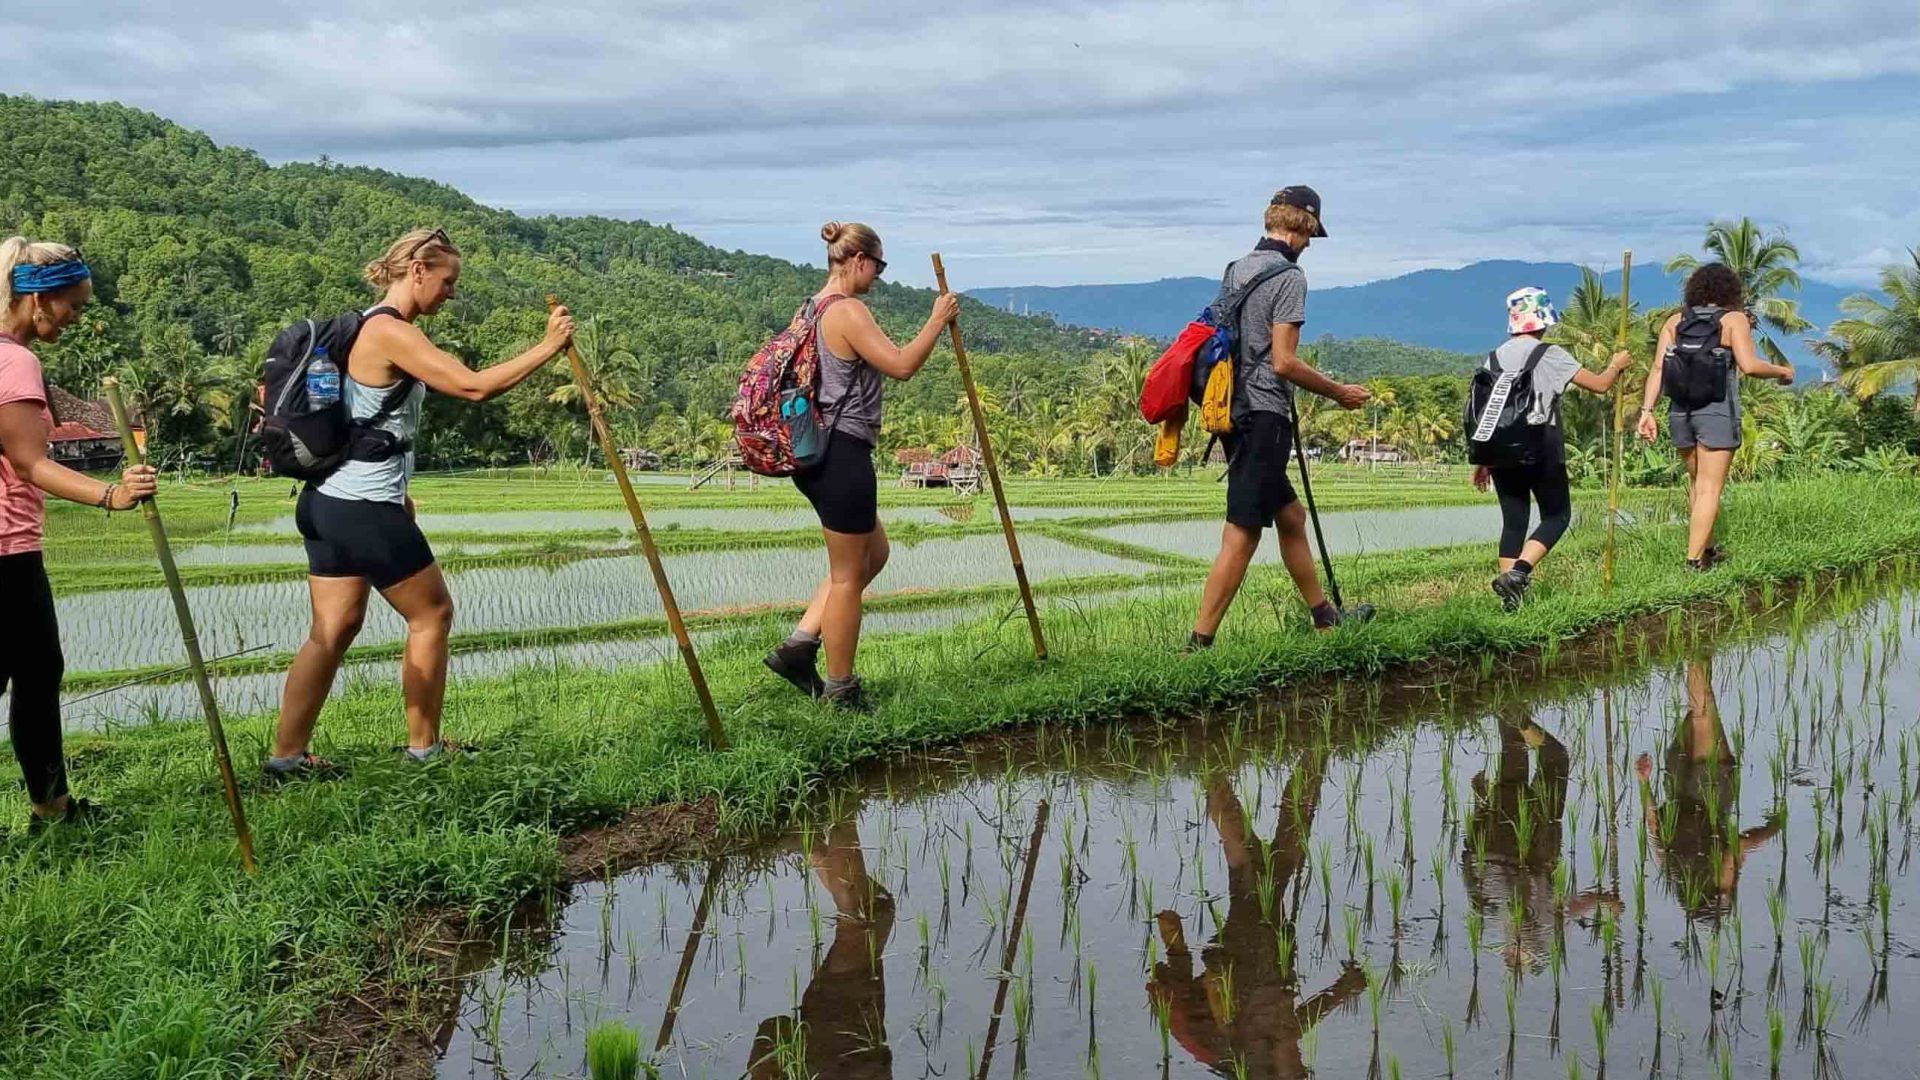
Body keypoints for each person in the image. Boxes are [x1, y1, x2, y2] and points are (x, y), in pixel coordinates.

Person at [266, 228, 574, 779]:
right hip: (362, 507)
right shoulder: (391, 332)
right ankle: (424, 751)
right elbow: (475, 387)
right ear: (417, 271)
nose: (451, 293)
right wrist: (548, 346)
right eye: (447, 280)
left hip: (328, 503)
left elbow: (372, 423)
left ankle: (286, 759)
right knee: (432, 614)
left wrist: (399, 493)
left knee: (331, 632)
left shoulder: (362, 327)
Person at [762, 222, 958, 711]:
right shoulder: (848, 311)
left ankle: (800, 644)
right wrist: (937, 318)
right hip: (843, 453)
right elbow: (901, 364)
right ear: (858, 260)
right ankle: (841, 690)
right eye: (879, 265)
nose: (879, 275)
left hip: (816, 452)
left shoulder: (810, 307)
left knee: (875, 552)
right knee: (848, 577)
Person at [0, 237, 158, 830]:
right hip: (7, 550)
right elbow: (29, 462)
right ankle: (52, 807)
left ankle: (53, 806)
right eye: (74, 305)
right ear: (38, 299)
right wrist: (113, 495)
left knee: (37, 675)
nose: (76, 318)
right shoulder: (15, 362)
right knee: (35, 676)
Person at [1187, 187, 1371, 651]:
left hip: (1231, 409)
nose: (1310, 245)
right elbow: (1284, 363)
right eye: (1312, 235)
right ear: (1302, 226)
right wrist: (1339, 393)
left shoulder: (1237, 269)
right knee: (1243, 531)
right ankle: (1198, 644)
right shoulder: (1290, 276)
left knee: (1290, 515)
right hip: (1263, 414)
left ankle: (1325, 617)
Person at [1149, 749, 1365, 1078]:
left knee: (1250, 862)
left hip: (1244, 954)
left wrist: (1179, 950)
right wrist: (1340, 992)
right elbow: (1295, 1025)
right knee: (1281, 854)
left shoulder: (1238, 1051)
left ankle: (1211, 755)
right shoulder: (1262, 1053)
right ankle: (1308, 749)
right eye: (1302, 1067)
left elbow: (1288, 1029)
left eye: (1297, 1068)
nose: (1300, 1063)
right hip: (1264, 948)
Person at [1470, 287, 1634, 610]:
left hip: (1499, 449)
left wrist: (1484, 460)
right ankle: (1518, 573)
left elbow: (1488, 412)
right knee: (1558, 515)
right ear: (1543, 321)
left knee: (1514, 523)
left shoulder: (1493, 356)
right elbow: (1600, 385)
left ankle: (1511, 603)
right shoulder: (1550, 354)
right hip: (1539, 444)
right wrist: (1617, 365)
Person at [1635, 263, 1793, 570]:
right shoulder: (1734, 319)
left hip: (1680, 411)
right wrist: (1782, 371)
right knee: (1709, 488)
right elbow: (1749, 365)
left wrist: (1647, 411)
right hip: (1717, 411)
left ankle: (1706, 551)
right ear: (1730, 291)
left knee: (1697, 483)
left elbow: (1658, 369)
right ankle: (1693, 563)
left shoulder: (1675, 320)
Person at [1636, 655, 1781, 923]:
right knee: (1698, 710)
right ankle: (1700, 642)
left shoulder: (1720, 885)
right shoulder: (1671, 870)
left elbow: (1738, 846)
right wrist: (1644, 782)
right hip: (1678, 785)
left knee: (1701, 711)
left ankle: (1695, 638)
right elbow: (1654, 825)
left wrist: (1775, 827)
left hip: (1710, 789)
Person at [748, 815, 893, 1078]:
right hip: (854, 1037)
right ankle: (811, 839)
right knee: (875, 911)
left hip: (837, 1034)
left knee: (862, 916)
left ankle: (841, 805)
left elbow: (773, 1032)